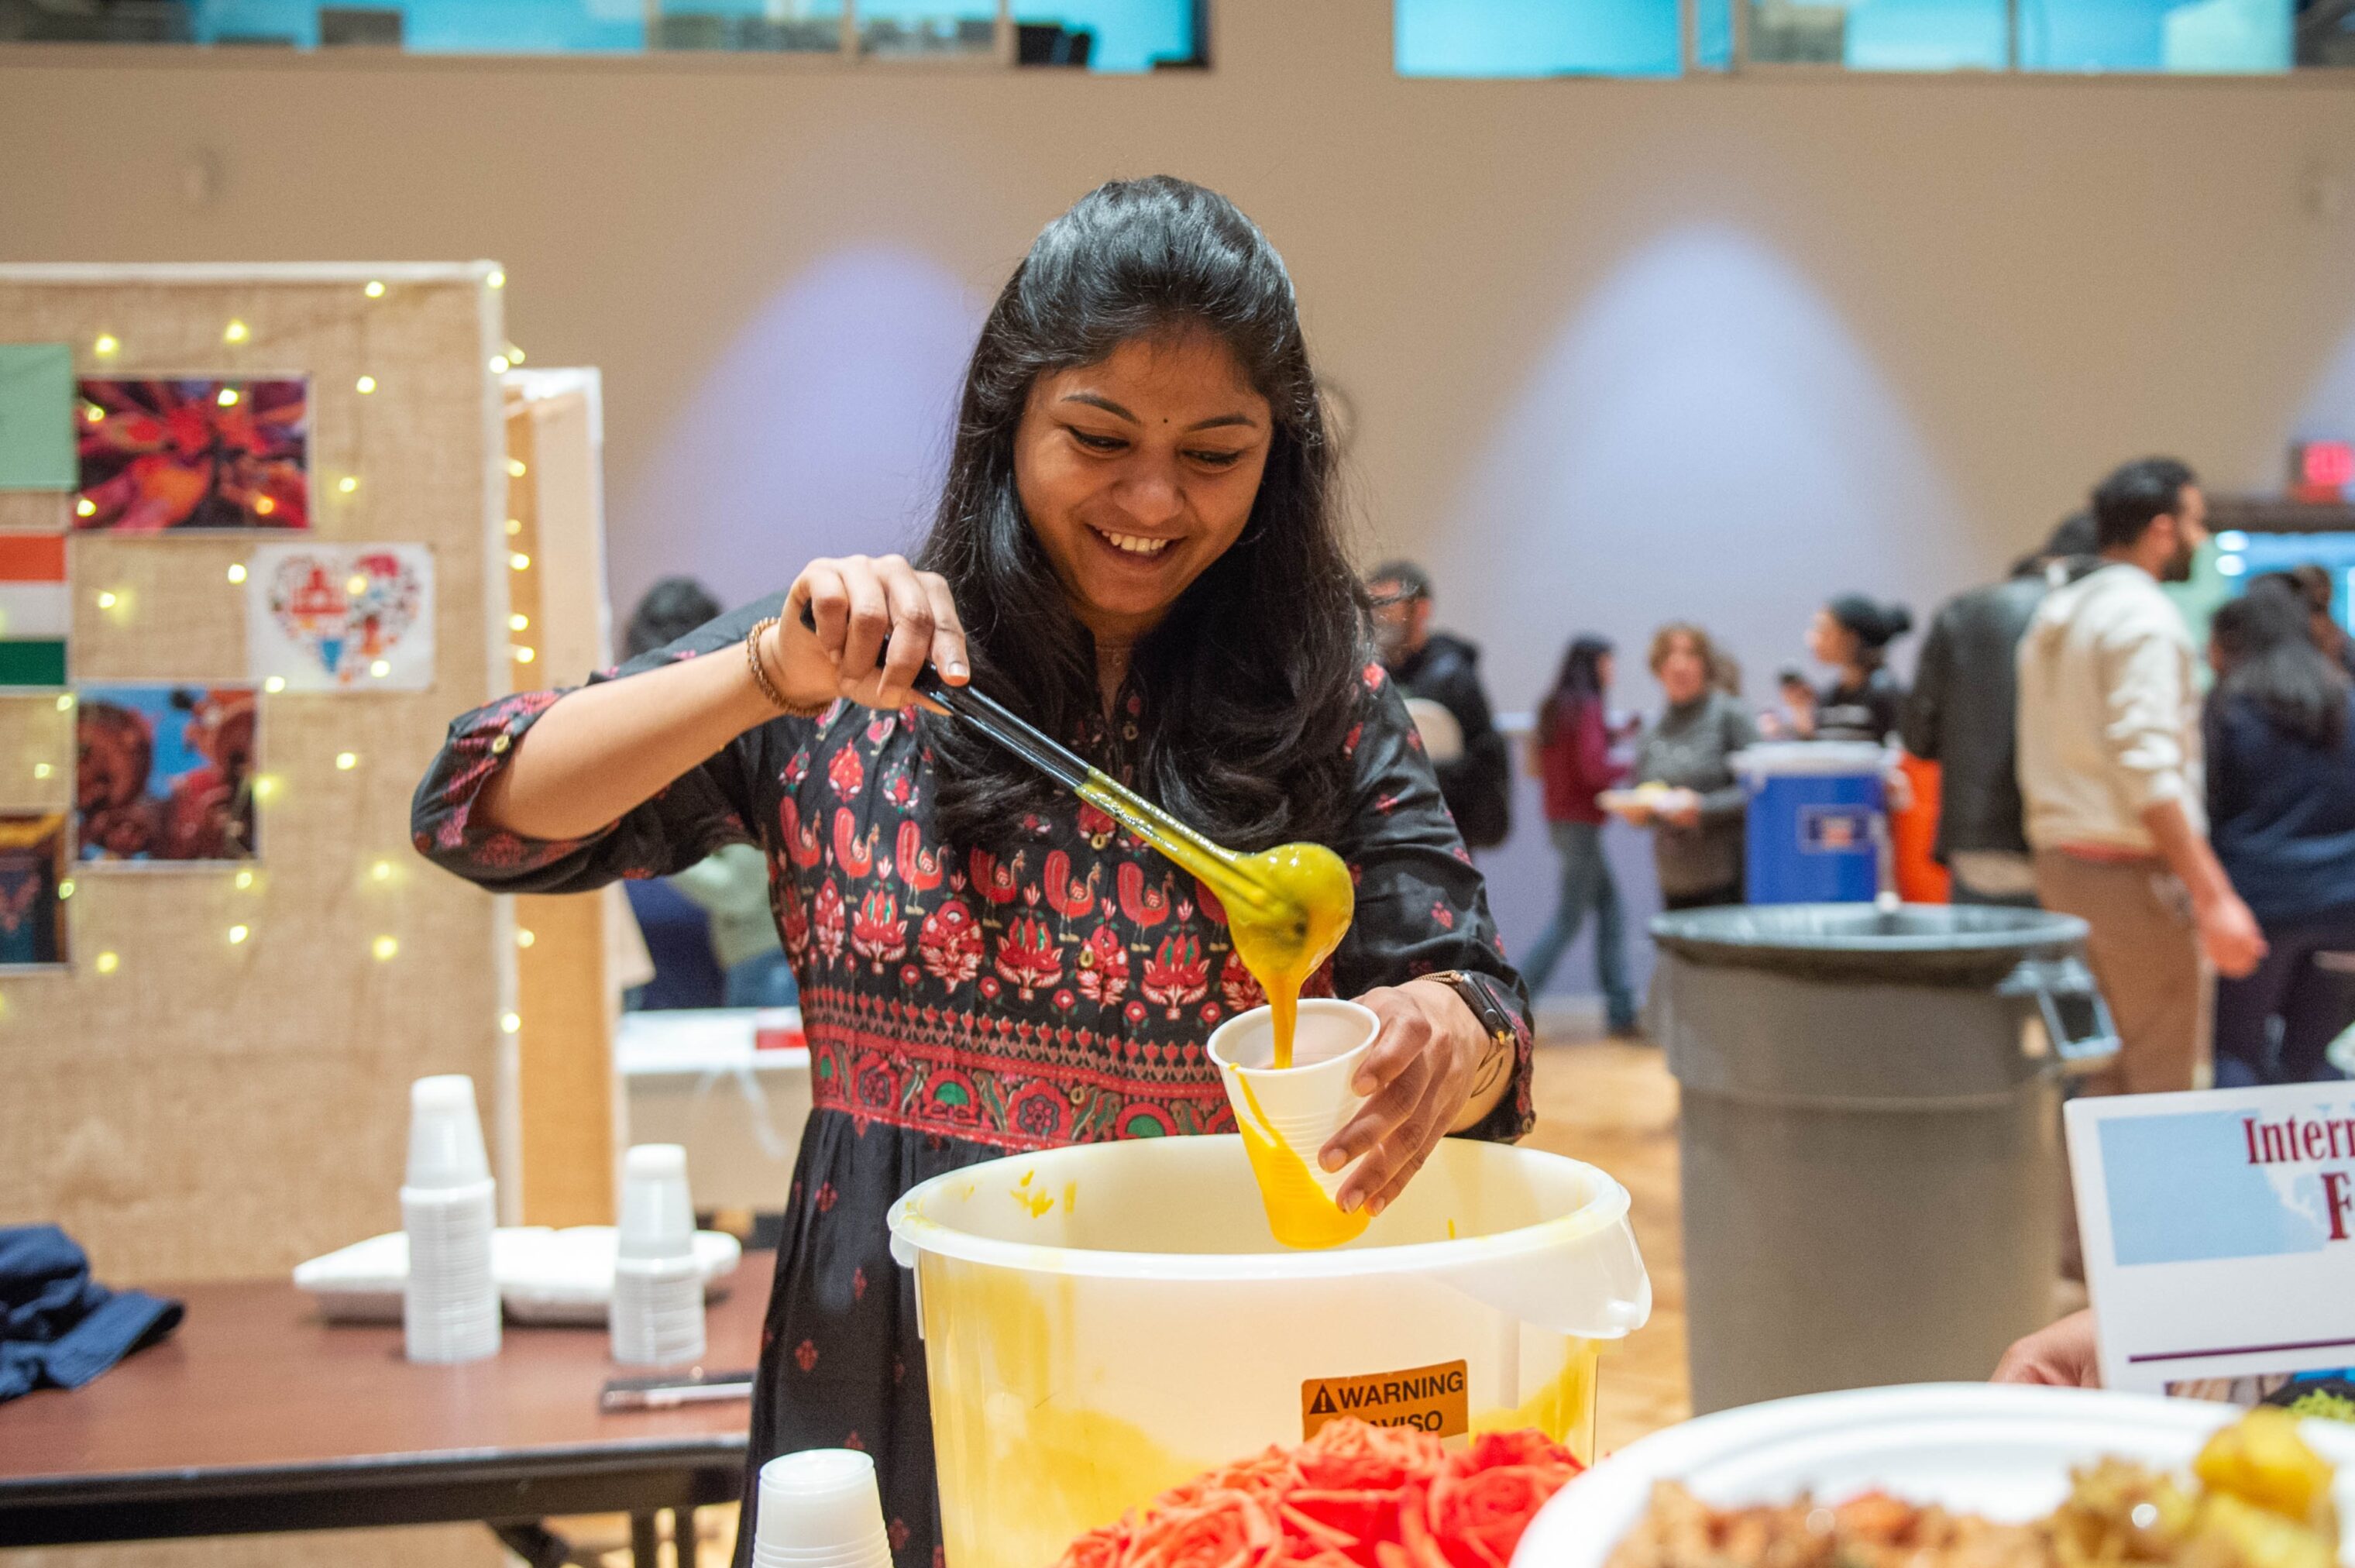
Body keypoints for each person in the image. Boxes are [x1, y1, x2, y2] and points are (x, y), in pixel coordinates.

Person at [411, 177, 1535, 1568]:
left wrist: (1451, 1035)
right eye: (1100, 437)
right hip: (887, 1340)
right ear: (1009, 419)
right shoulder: (851, 660)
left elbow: (1478, 993)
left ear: (1277, 459)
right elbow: (478, 807)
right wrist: (765, 674)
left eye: (1216, 453)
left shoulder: (1323, 698)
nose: (1152, 500)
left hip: (1210, 1340)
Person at [2016, 456, 2265, 1098]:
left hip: (2062, 869)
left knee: (2100, 1080)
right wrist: (2213, 897)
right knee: (2160, 1086)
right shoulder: (2144, 619)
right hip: (2130, 876)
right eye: (2195, 523)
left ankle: (2078, 1206)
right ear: (2162, 529)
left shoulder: (2058, 614)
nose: (2200, 540)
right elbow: (2147, 769)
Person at [1903, 514, 2099, 906]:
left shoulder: (1961, 613)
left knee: (1983, 965)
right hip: (2081, 842)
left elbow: (1918, 739)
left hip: (1981, 843)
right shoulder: (2094, 615)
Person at [622, 578, 800, 1009]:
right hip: (767, 958)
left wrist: (639, 837)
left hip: (771, 962)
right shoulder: (736, 713)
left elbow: (738, 889)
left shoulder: (734, 722)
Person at [2205, 582, 2355, 1084]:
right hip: (2343, 909)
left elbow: (2208, 806)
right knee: (2312, 1057)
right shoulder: (2346, 702)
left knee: (2236, 1051)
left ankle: (2237, 1163)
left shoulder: (2230, 706)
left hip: (2257, 911)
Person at [1517, 636, 1638, 1034]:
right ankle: (1512, 1000)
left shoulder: (1556, 706)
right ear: (1597, 664)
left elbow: (1564, 759)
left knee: (1610, 912)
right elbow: (1592, 769)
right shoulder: (1587, 705)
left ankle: (1620, 1010)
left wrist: (1616, 736)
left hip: (1561, 822)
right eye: (1609, 662)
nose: (1613, 671)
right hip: (1581, 826)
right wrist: (1631, 770)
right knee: (1570, 920)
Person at [1366, 560, 1511, 851]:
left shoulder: (1452, 675)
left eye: (1389, 606)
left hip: (1447, 834)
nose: (1380, 617)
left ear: (1421, 610)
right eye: (1374, 606)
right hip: (1388, 834)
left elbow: (1486, 758)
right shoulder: (1375, 678)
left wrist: (1422, 777)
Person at [1624, 623, 1757, 910]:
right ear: (1658, 668)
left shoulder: (1728, 716)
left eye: (1689, 654)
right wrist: (1639, 811)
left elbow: (1760, 791)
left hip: (1728, 877)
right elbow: (1644, 792)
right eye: (1669, 655)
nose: (1678, 663)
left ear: (1706, 665)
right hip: (1674, 877)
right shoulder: (1652, 730)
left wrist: (1703, 807)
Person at [1786, 594, 1912, 742]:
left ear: (1851, 638)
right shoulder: (1830, 695)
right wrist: (1802, 716)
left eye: (1823, 630)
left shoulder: (1884, 693)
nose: (1811, 639)